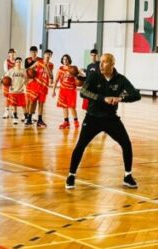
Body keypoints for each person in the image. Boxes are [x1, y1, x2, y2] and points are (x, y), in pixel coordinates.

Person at [65, 53, 141, 191]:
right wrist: (103, 98)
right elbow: (83, 92)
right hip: (93, 118)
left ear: (112, 64)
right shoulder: (94, 76)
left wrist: (120, 99)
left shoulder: (120, 80)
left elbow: (136, 95)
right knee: (80, 145)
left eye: (105, 62)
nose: (101, 64)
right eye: (101, 62)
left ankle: (127, 175)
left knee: (126, 144)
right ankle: (71, 175)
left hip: (111, 119)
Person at [25, 49, 53, 127]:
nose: (48, 55)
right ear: (44, 55)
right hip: (35, 85)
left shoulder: (51, 65)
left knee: (41, 104)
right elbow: (29, 70)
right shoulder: (38, 62)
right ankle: (29, 119)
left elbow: (50, 76)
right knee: (32, 102)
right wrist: (29, 77)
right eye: (47, 54)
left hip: (44, 87)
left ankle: (40, 120)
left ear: (51, 56)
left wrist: (46, 66)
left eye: (49, 55)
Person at [54, 54, 80, 129]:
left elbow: (79, 78)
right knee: (64, 106)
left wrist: (79, 75)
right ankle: (66, 122)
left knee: (72, 107)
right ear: (62, 60)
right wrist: (53, 90)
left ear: (69, 60)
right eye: (64, 59)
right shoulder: (60, 69)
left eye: (66, 59)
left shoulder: (73, 69)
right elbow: (56, 80)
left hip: (71, 90)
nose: (65, 61)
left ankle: (76, 121)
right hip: (63, 90)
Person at [4, 57, 27, 121]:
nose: (18, 63)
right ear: (15, 63)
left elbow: (26, 79)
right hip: (12, 91)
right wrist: (1, 81)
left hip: (21, 91)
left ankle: (26, 117)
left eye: (20, 62)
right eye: (17, 62)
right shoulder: (11, 70)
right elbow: (5, 78)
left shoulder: (23, 70)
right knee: (14, 105)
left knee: (23, 105)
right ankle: (15, 117)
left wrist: (25, 83)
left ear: (21, 63)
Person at [1, 48, 17, 119]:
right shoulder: (6, 61)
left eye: (13, 53)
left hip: (15, 81)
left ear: (14, 53)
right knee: (7, 96)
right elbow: (6, 71)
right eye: (10, 53)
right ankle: (6, 111)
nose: (12, 54)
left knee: (14, 96)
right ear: (8, 54)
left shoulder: (17, 61)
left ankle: (14, 112)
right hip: (8, 80)